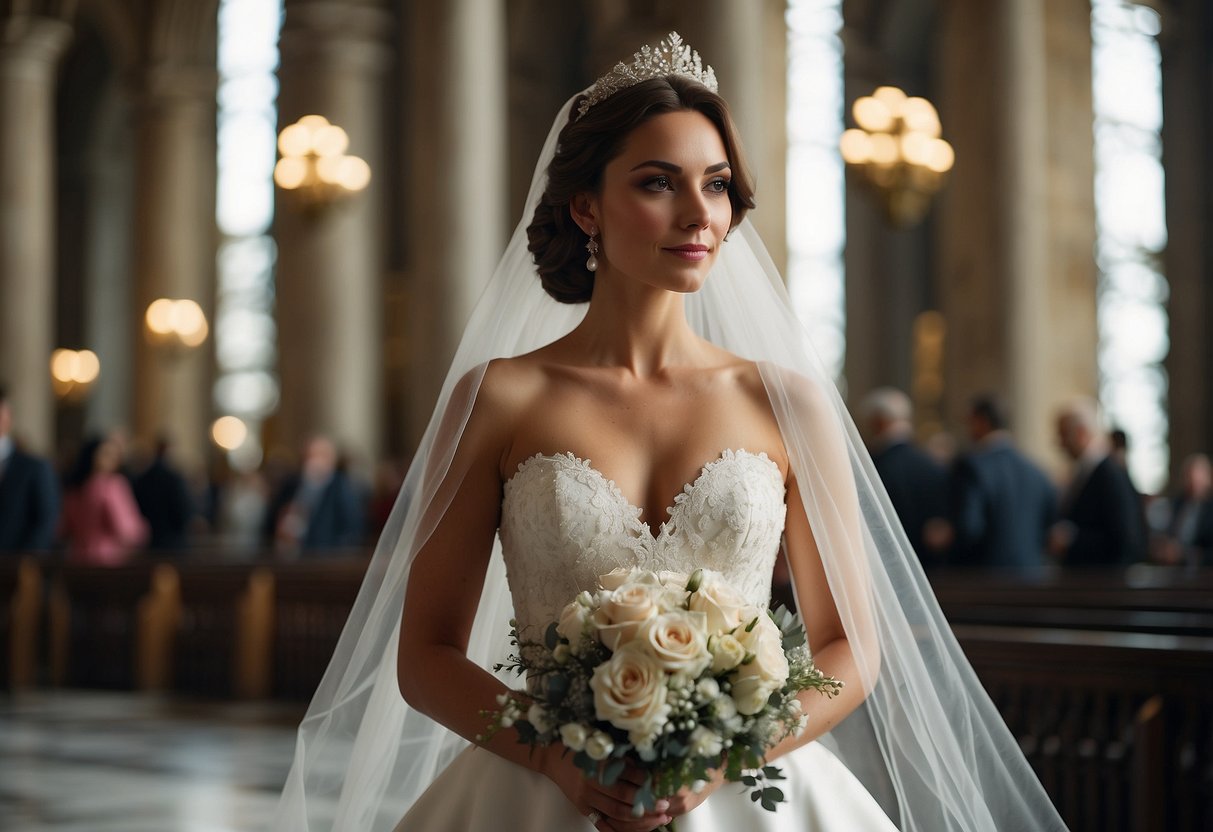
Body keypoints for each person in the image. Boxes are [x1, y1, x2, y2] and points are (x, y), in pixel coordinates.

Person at [274, 34, 1065, 832]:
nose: (699, 214)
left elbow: (849, 650)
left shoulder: (785, 401)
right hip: (541, 795)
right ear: (586, 204)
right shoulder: (501, 395)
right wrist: (554, 756)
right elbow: (427, 656)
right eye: (657, 182)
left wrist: (727, 755)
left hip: (752, 797)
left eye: (716, 186)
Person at [949, 394, 1057, 568]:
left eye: (970, 422)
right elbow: (1050, 528)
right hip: (1032, 578)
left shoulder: (971, 467)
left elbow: (969, 528)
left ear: (982, 421)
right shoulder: (1037, 470)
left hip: (985, 580)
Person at [1048, 397, 1146, 566]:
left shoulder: (1109, 473)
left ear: (1080, 432)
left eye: (1063, 434)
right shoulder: (1087, 471)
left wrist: (1073, 541)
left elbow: (1124, 540)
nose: (1059, 443)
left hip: (1105, 585)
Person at [859, 387, 950, 566]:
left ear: (880, 421)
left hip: (884, 563)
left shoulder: (875, 466)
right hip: (927, 565)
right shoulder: (930, 464)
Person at [264, 435, 366, 555]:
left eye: (319, 455)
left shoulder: (342, 487)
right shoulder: (291, 484)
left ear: (331, 459)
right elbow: (270, 520)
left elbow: (351, 529)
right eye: (309, 456)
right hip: (288, 556)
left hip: (323, 559)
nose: (313, 461)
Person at [60, 435, 149, 565]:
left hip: (77, 558)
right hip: (108, 561)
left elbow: (62, 529)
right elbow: (124, 529)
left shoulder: (74, 488)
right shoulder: (112, 486)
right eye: (107, 454)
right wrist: (142, 530)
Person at [0, 384, 60, 552]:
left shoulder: (34, 468)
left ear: (7, 418)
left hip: (15, 567)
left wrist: (26, 561)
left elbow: (46, 520)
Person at [129, 437, 195, 552]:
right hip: (174, 543)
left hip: (149, 543)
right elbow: (183, 511)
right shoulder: (174, 479)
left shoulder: (142, 479)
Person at [1150, 453, 1213, 566]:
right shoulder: (1177, 504)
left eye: (1199, 476)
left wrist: (1186, 554)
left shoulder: (1209, 509)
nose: (1194, 482)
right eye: (1190, 476)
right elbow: (1167, 531)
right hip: (1173, 568)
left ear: (1209, 478)